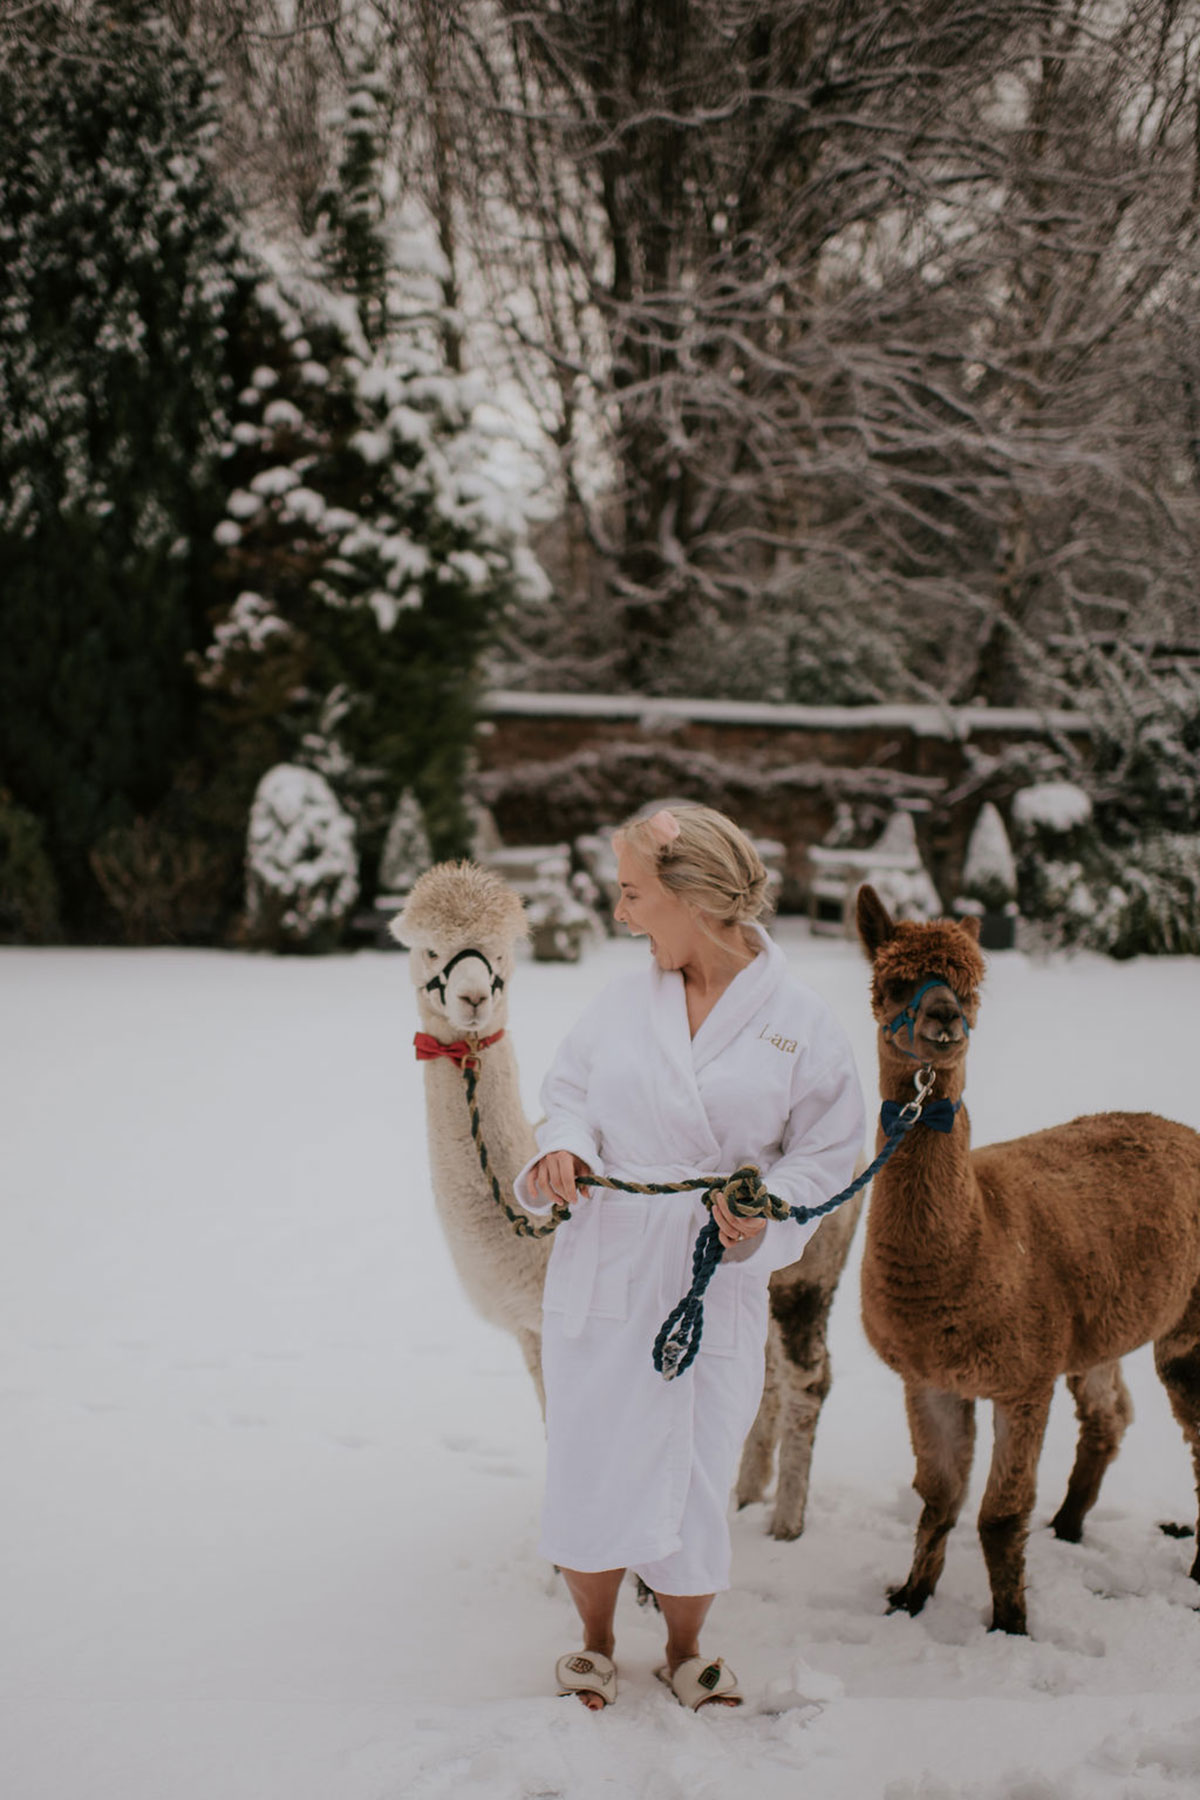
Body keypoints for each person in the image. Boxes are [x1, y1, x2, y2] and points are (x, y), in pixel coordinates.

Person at [513, 804, 865, 1712]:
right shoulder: (623, 1003)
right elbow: (568, 1093)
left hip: (714, 1276)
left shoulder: (799, 1024)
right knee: (591, 1452)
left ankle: (684, 1645)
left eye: (633, 893)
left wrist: (764, 1213)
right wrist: (564, 1148)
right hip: (610, 1256)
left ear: (691, 896)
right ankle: (593, 1639)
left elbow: (826, 1152)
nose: (623, 914)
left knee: (699, 1463)